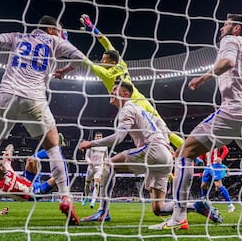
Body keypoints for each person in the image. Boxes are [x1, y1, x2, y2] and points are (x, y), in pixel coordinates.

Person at [154, 13, 242, 230]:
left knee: (184, 153)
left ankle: (179, 217)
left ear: (237, 28)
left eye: (226, 24)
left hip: (233, 111)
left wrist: (203, 77)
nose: (222, 28)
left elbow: (227, 62)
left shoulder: (230, 40)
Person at [0, 16, 85, 227]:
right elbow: (80, 58)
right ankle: (66, 198)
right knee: (53, 149)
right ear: (51, 29)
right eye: (59, 31)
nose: (60, 34)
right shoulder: (54, 41)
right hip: (34, 99)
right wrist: (64, 70)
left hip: (7, 96)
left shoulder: (17, 36)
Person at [79, 81, 221, 228]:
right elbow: (162, 126)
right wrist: (167, 146)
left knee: (109, 165)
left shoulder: (127, 109)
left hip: (152, 150)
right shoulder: (141, 109)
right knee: (158, 209)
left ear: (126, 94)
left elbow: (118, 138)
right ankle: (196, 206)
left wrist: (91, 144)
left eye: (115, 89)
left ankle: (103, 211)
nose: (112, 92)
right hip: (164, 156)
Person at [54, 14, 184, 150]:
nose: (102, 61)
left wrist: (66, 43)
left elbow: (83, 59)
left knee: (147, 142)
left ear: (112, 61)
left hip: (133, 107)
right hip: (142, 100)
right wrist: (93, 29)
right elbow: (107, 44)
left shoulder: (106, 74)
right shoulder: (121, 64)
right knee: (165, 132)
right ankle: (191, 154)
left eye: (104, 59)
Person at [0, 144, 56, 216]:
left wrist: (7, 151)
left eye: (2, 164)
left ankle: (53, 149)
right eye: (0, 166)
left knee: (31, 160)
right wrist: (1, 213)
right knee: (57, 178)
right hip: (32, 193)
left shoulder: (6, 165)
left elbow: (11, 146)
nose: (3, 167)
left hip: (29, 180)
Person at [196, 146, 235, 212]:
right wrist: (198, 161)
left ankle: (230, 205)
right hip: (207, 166)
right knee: (203, 185)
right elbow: (201, 156)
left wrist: (220, 158)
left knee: (218, 185)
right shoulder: (204, 144)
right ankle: (205, 202)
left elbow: (226, 149)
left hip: (216, 165)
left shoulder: (216, 141)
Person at [81, 132, 108, 208]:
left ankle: (93, 201)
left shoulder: (105, 147)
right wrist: (90, 162)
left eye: (100, 136)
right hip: (91, 167)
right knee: (87, 184)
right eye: (97, 136)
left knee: (96, 184)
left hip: (99, 167)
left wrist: (105, 164)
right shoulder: (91, 145)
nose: (99, 137)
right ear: (95, 137)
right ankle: (86, 197)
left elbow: (106, 157)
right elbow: (86, 156)